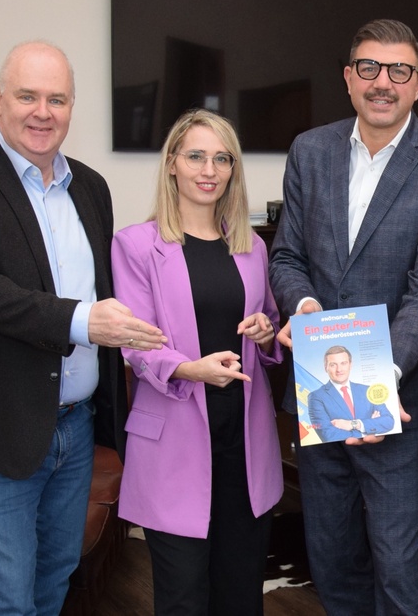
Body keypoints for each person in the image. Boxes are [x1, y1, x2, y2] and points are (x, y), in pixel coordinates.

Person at [0, 41, 165, 616]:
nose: (42, 112)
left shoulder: (91, 187)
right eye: (27, 96)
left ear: (73, 107)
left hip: (74, 434)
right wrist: (84, 321)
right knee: (4, 602)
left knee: (53, 584)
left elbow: (113, 287)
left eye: (57, 99)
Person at [269, 19, 418, 615]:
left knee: (394, 563)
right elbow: (287, 255)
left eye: (399, 71)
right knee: (330, 555)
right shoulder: (311, 150)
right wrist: (306, 311)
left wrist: (374, 386)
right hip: (317, 391)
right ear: (348, 78)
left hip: (393, 399)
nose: (382, 82)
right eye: (369, 68)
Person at [111, 109, 284, 615]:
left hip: (245, 446)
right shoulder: (136, 245)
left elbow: (270, 325)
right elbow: (134, 342)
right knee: (184, 598)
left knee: (241, 596)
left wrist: (266, 330)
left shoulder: (251, 247)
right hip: (174, 446)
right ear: (171, 164)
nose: (209, 170)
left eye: (222, 158)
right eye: (195, 156)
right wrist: (191, 368)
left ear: (233, 169)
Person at [309, 345, 395, 442]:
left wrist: (354, 424)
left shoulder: (368, 390)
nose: (339, 370)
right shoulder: (316, 397)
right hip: (338, 451)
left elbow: (389, 421)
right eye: (333, 365)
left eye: (343, 363)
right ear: (326, 368)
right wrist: (368, 429)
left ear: (350, 364)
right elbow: (327, 434)